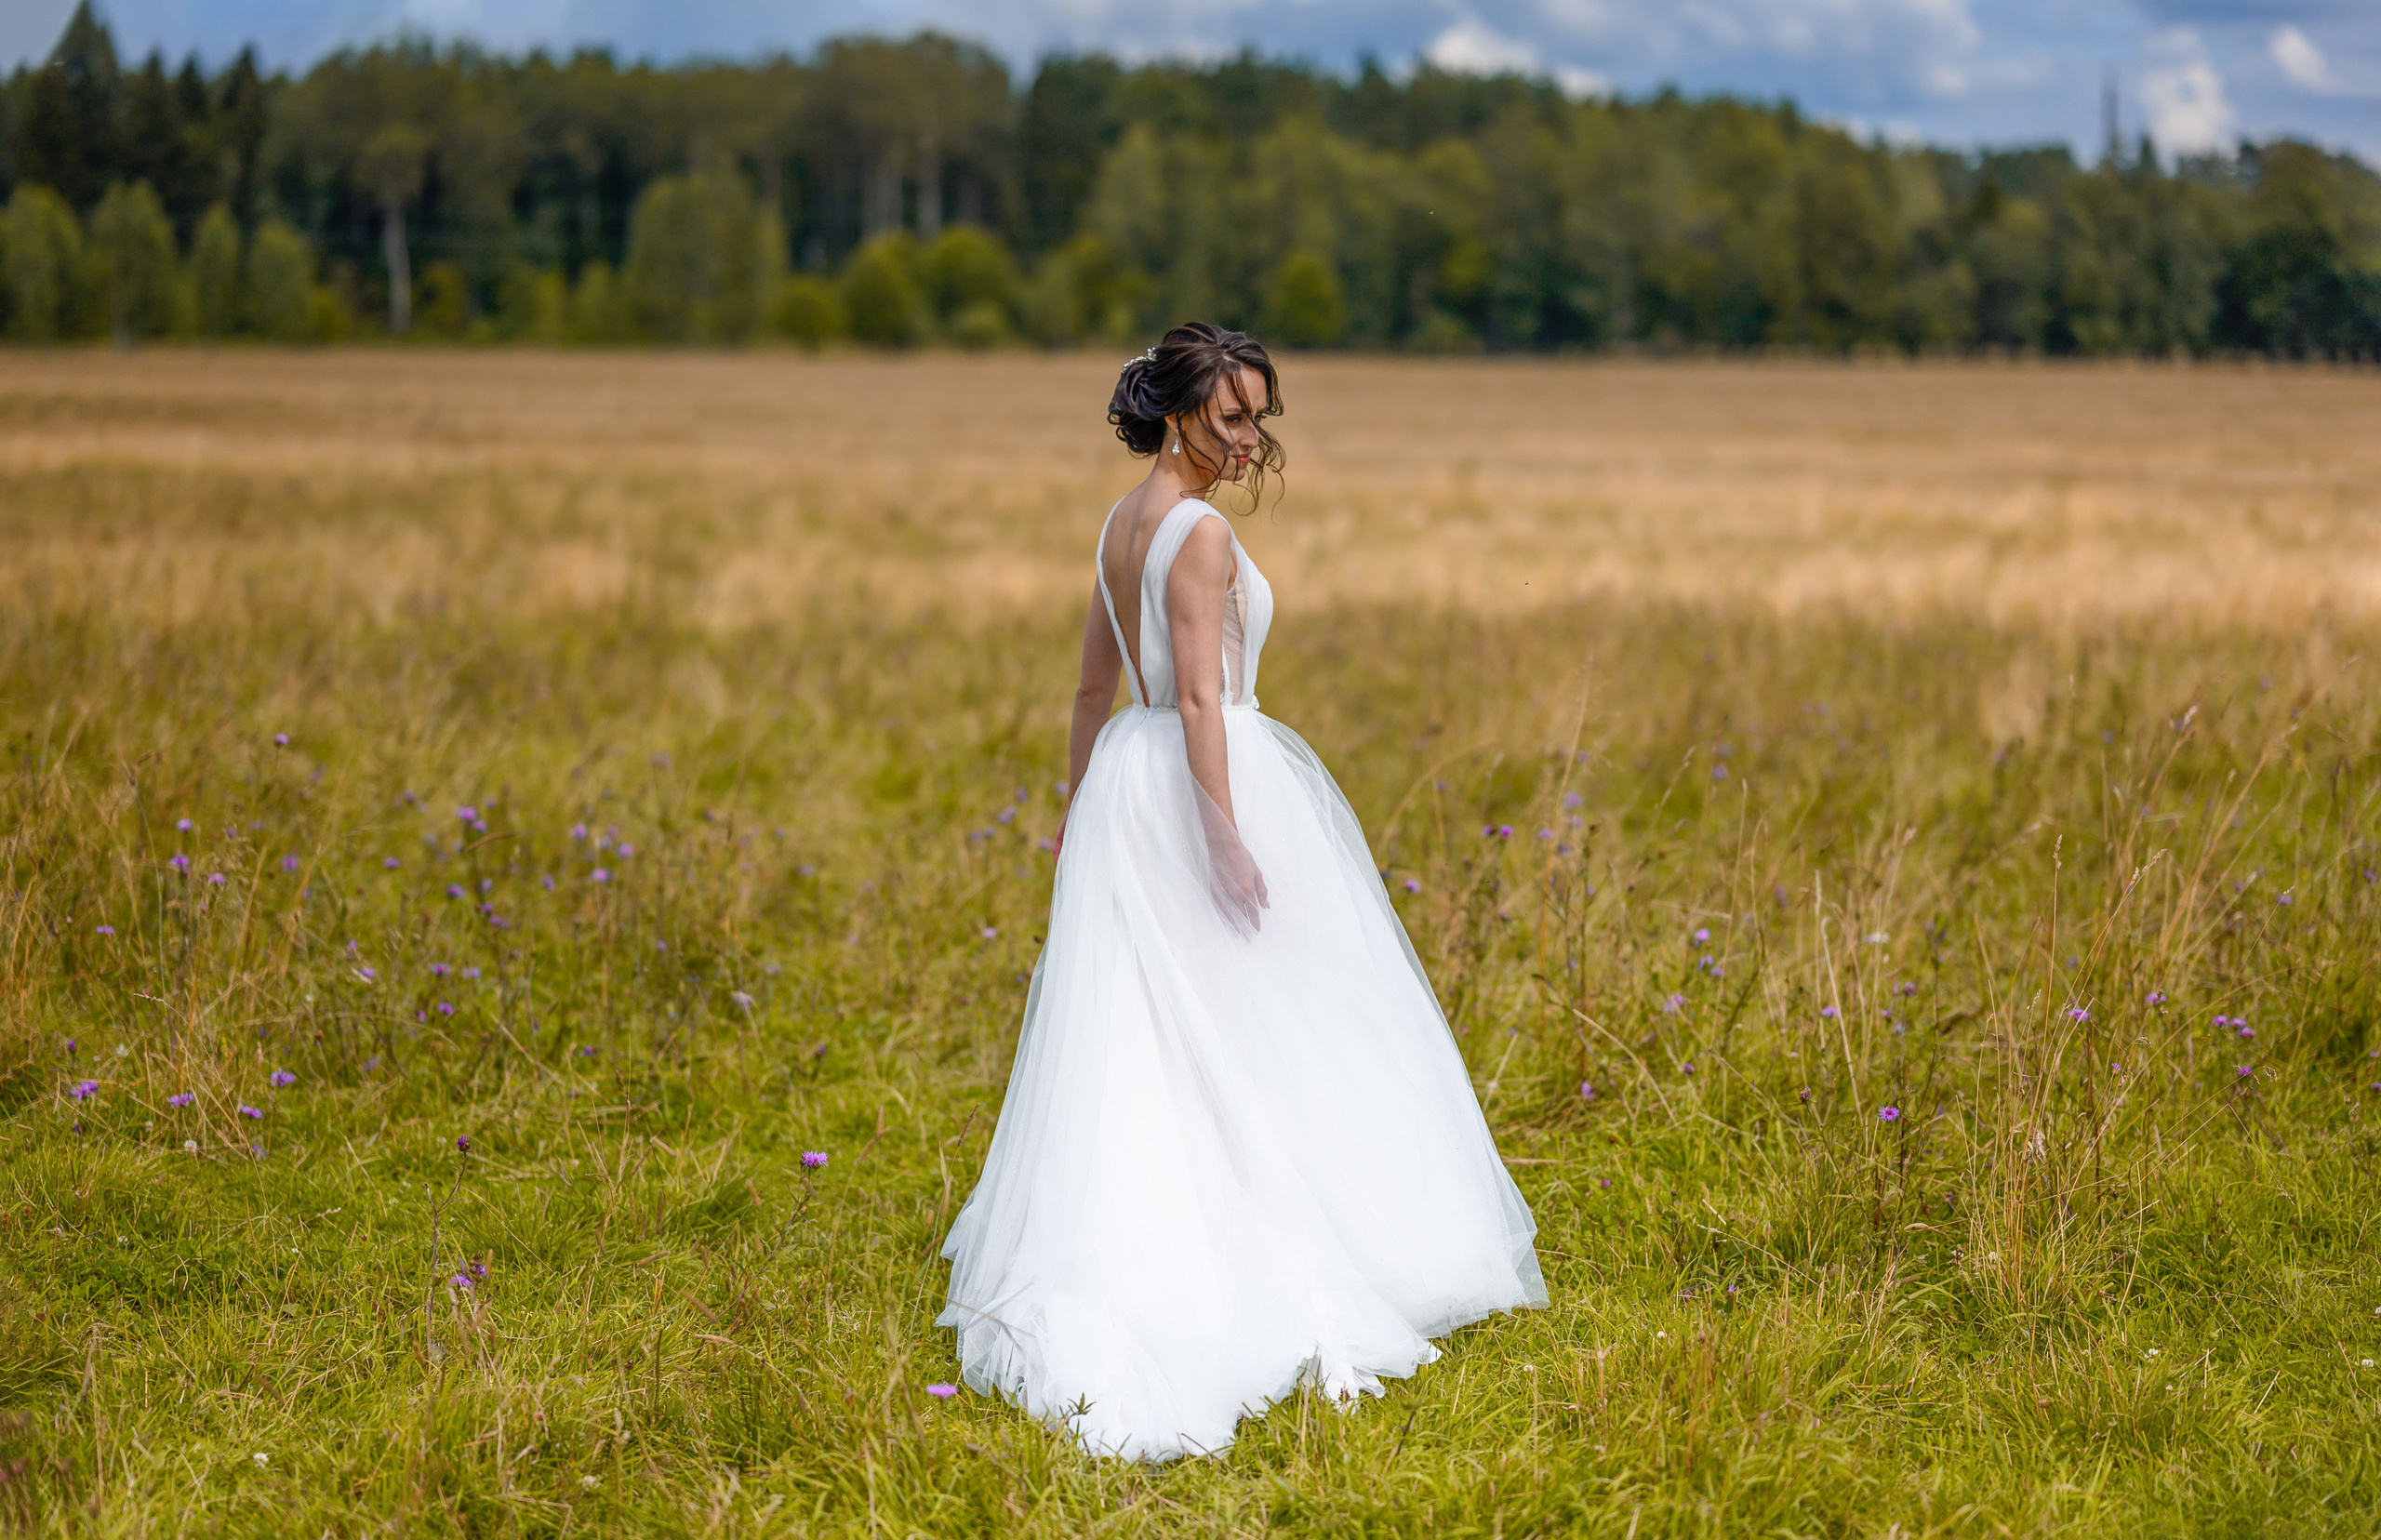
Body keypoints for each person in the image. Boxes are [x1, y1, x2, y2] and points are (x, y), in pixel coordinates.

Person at [937, 322, 1546, 1461]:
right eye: (1231, 417)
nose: (1250, 438)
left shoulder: (1120, 524)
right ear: (1177, 415)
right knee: (1259, 1012)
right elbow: (1208, 701)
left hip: (1128, 779)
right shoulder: (1201, 531)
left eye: (1259, 416)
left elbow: (1088, 689)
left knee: (1163, 1022)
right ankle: (1257, 1241)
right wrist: (1223, 833)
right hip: (1198, 782)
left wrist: (1078, 810)